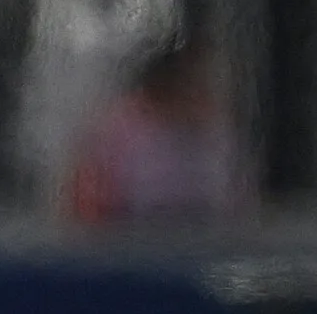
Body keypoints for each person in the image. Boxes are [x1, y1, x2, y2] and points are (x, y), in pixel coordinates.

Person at [66, 39, 244, 227]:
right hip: (129, 242)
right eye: (186, 83)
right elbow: (87, 204)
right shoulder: (119, 127)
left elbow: (239, 204)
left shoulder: (216, 130)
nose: (195, 92)